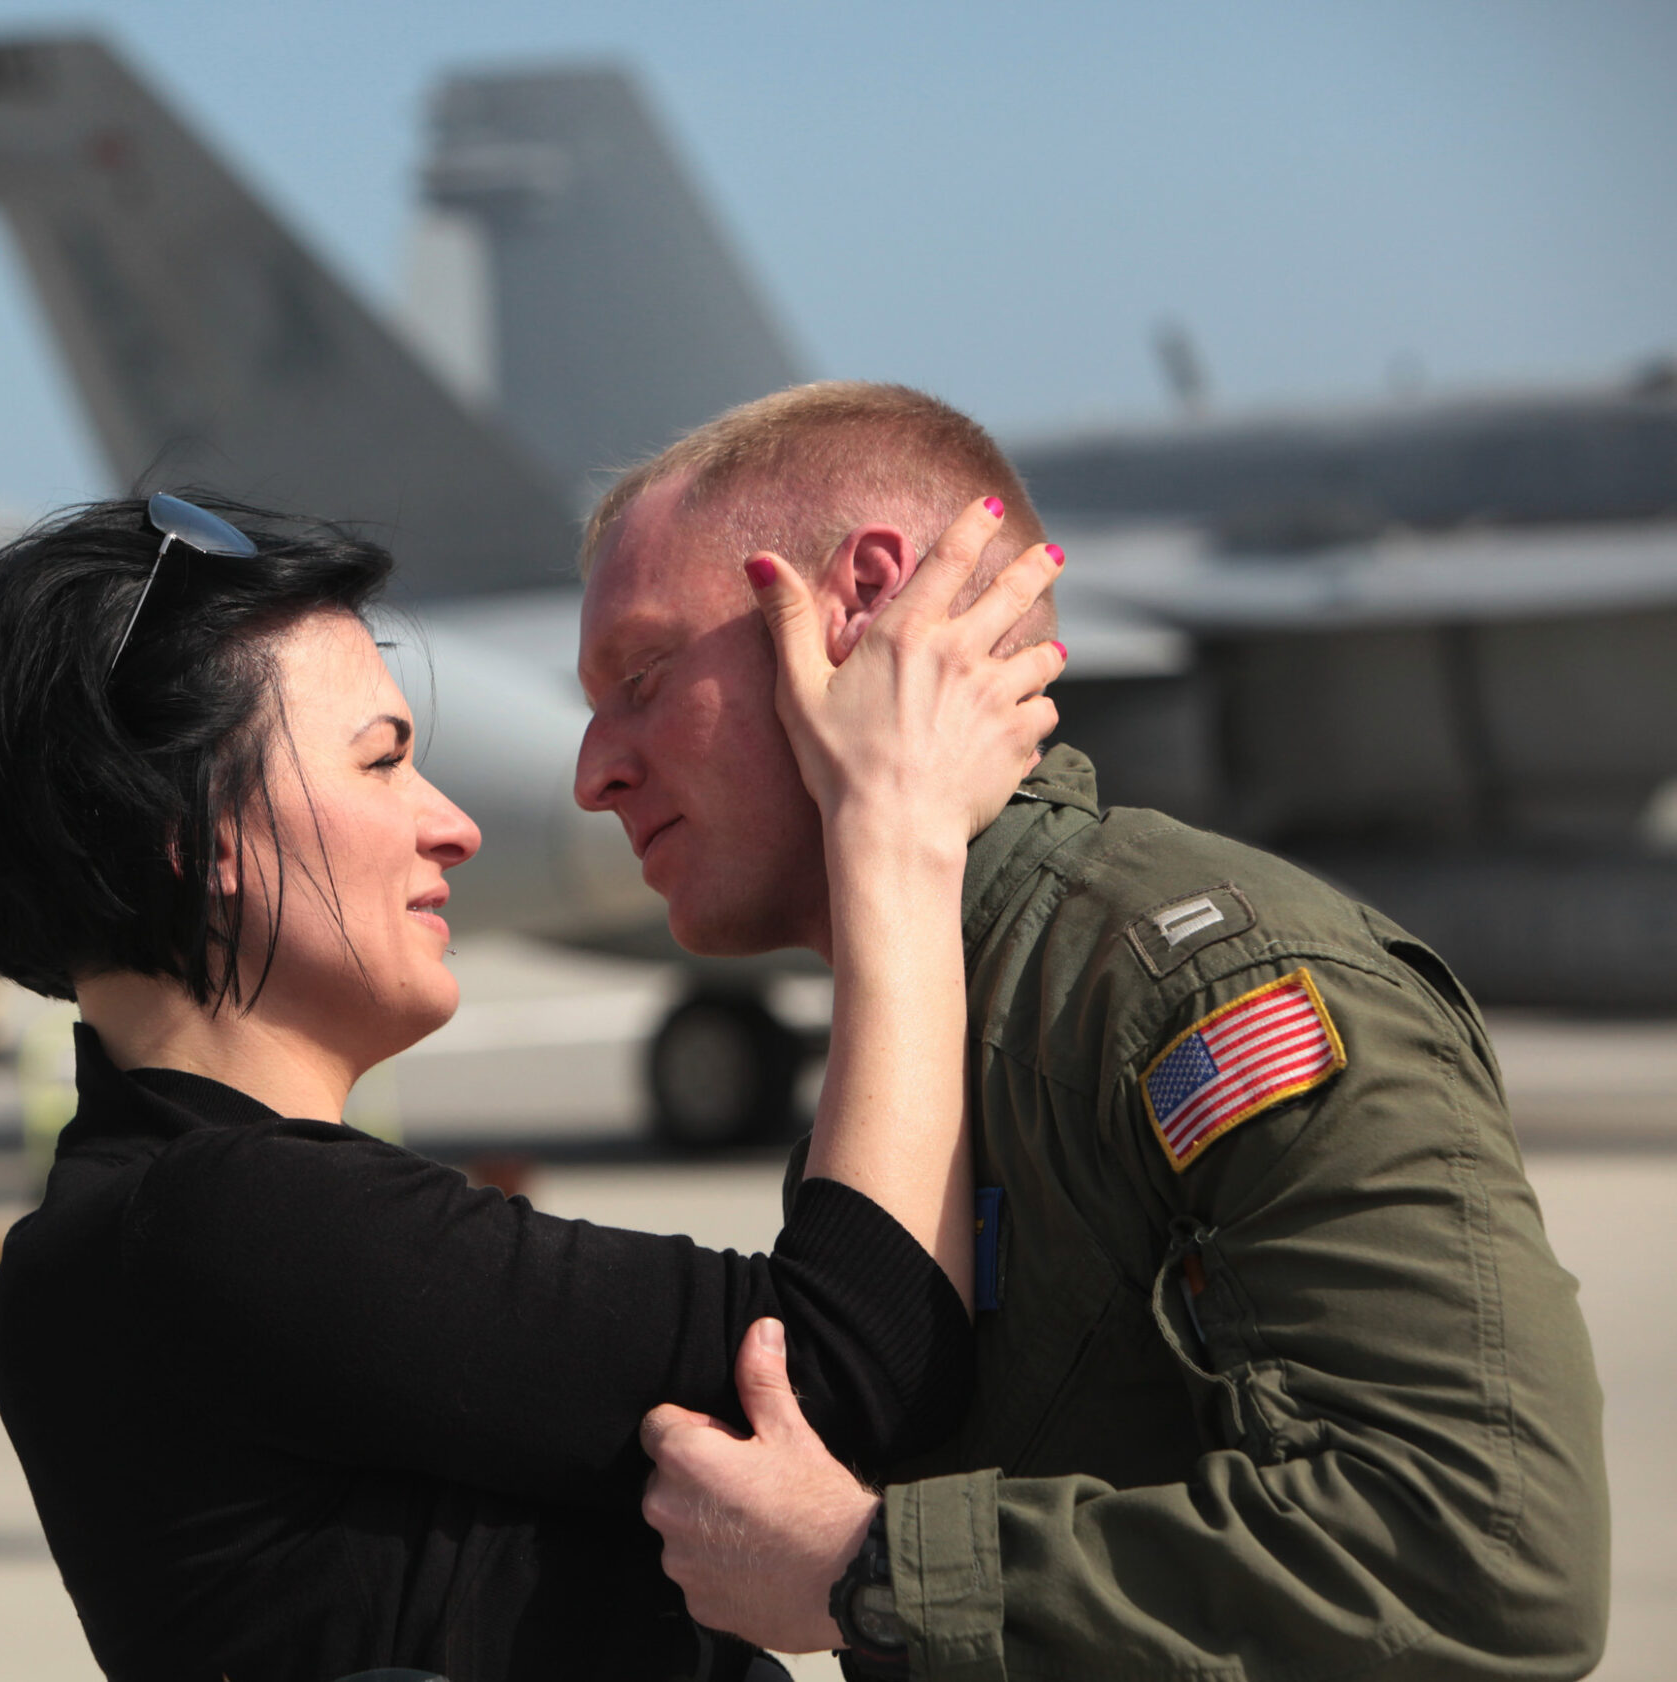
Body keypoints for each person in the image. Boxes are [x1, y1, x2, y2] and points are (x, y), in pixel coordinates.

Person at [0, 492, 1064, 1681]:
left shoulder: (128, 1230)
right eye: (382, 763)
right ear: (202, 832)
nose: (452, 826)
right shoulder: (233, 1219)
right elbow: (849, 1361)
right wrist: (892, 829)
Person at [575, 382, 1609, 1678]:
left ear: (866, 600)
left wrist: (870, 1564)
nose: (592, 768)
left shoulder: (1198, 989)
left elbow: (1486, 1560)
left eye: (647, 673)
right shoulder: (948, 1026)